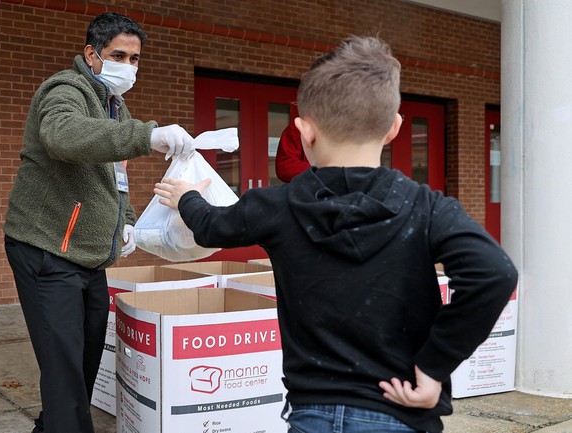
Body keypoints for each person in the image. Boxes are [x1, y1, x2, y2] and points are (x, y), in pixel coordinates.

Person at [153, 36, 518, 433]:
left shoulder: (276, 205)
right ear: (394, 128)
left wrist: (188, 197)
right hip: (399, 412)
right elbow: (494, 273)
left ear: (304, 132)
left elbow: (210, 227)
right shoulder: (427, 208)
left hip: (312, 415)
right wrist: (433, 366)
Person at [3, 12, 193, 433]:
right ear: (92, 55)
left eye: (136, 58)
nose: (130, 66)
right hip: (47, 247)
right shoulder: (64, 89)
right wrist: (148, 135)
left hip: (88, 256)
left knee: (86, 358)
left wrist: (124, 220)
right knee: (64, 365)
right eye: (119, 55)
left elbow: (115, 175)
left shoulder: (115, 104)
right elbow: (63, 135)